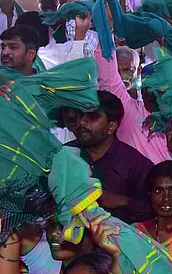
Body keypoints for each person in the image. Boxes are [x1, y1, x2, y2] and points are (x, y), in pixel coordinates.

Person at [64, 91, 154, 224]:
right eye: (80, 115)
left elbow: (153, 210)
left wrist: (124, 201)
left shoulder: (135, 164)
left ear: (111, 126)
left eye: (92, 117)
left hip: (118, 235)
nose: (81, 122)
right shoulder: (64, 154)